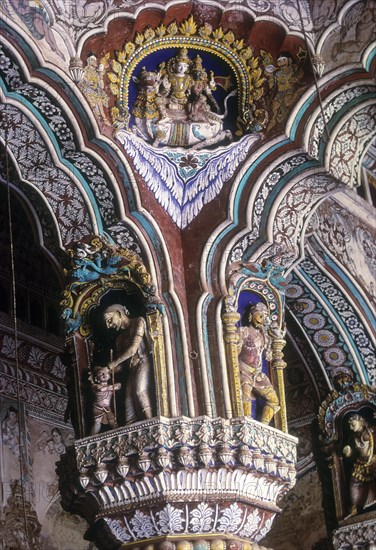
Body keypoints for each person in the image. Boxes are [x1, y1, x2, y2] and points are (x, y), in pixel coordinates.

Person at [104, 304, 153, 424]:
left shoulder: (138, 322)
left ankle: (151, 423)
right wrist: (107, 370)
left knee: (139, 391)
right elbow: (121, 365)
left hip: (142, 362)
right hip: (132, 369)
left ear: (119, 313)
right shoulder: (119, 339)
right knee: (128, 402)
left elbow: (133, 349)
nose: (109, 325)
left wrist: (113, 364)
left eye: (110, 320)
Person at [237, 302, 280, 424]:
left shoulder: (264, 336)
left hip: (257, 373)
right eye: (260, 315)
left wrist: (273, 338)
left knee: (273, 400)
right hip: (243, 370)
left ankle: (264, 425)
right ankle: (246, 420)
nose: (263, 318)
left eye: (265, 315)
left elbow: (268, 355)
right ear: (251, 316)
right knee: (245, 391)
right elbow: (234, 353)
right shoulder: (243, 331)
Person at [343, 413, 376, 517]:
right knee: (354, 482)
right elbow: (352, 453)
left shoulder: (369, 432)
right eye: (350, 425)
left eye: (353, 424)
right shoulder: (353, 438)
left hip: (373, 460)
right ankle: (354, 507)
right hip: (360, 463)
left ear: (361, 422)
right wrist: (348, 452)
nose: (351, 427)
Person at [90, 366, 121, 435]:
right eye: (100, 374)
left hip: (107, 407)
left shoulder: (111, 386)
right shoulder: (95, 386)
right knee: (97, 423)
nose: (104, 375)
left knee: (113, 421)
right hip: (98, 407)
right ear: (96, 378)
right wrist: (112, 387)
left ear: (109, 376)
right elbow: (101, 389)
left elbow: (119, 385)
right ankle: (92, 437)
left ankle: (118, 435)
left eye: (105, 373)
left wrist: (114, 386)